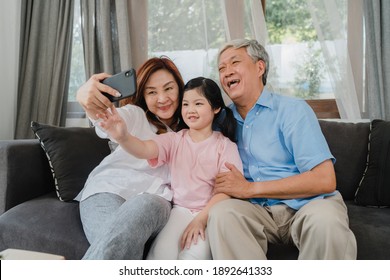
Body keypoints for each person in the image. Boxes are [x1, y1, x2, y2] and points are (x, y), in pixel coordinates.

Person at [207, 38, 357, 260]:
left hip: (308, 204)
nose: (226, 72)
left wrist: (250, 188)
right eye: (221, 68)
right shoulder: (220, 120)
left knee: (326, 222)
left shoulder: (292, 111)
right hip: (256, 211)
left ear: (260, 67)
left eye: (234, 63)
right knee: (222, 214)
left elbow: (324, 180)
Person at [97, 77, 243, 260]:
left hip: (209, 215)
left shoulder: (226, 146)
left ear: (216, 108)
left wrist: (201, 220)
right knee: (159, 256)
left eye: (198, 103)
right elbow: (144, 149)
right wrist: (123, 137)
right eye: (185, 104)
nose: (190, 110)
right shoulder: (174, 140)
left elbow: (227, 191)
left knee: (191, 259)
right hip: (179, 211)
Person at [75, 57, 185, 259]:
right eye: (152, 92)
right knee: (115, 248)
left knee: (143, 204)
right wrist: (86, 99)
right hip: (107, 190)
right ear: (143, 95)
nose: (162, 98)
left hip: (154, 201)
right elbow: (106, 121)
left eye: (169, 89)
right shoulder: (136, 115)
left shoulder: (190, 132)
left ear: (180, 88)